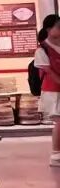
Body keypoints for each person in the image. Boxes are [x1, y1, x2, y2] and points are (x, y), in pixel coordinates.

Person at [32, 14, 60, 167]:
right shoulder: (42, 50)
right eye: (58, 26)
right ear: (49, 29)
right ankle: (56, 155)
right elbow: (49, 72)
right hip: (53, 91)